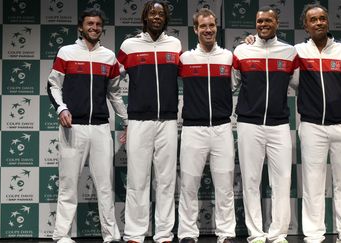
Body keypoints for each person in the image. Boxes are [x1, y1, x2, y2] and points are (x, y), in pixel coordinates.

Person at [47, 8, 126, 243]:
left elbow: (114, 94)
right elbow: (53, 85)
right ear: (81, 27)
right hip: (74, 127)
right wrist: (61, 108)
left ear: (102, 28)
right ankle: (61, 235)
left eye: (98, 24)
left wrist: (127, 120)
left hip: (101, 127)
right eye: (89, 24)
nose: (94, 27)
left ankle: (110, 235)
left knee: (105, 185)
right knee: (69, 183)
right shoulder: (66, 52)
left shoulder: (109, 57)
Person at [295, 3, 341, 243]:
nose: (319, 23)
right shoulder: (298, 52)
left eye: (322, 18)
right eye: (313, 20)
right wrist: (252, 40)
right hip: (313, 126)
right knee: (313, 184)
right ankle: (314, 235)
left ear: (328, 21)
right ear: (306, 25)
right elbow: (273, 57)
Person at [232, 6, 299, 243]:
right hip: (249, 123)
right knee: (250, 180)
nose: (263, 24)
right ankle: (256, 234)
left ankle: (278, 233)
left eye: (268, 20)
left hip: (279, 123)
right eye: (260, 21)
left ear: (277, 23)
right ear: (256, 23)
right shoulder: (242, 50)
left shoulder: (290, 52)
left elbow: (299, 85)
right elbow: (232, 84)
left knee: (282, 181)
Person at [116, 1, 181, 242]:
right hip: (138, 121)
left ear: (166, 19)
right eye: (152, 13)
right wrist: (124, 117)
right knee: (137, 179)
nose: (157, 17)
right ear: (145, 17)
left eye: (161, 13)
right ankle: (134, 233)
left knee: (166, 180)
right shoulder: (129, 46)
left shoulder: (175, 45)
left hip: (167, 121)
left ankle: (164, 233)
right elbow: (112, 82)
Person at [177, 8, 236, 243]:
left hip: (222, 128)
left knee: (224, 186)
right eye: (203, 26)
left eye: (212, 25)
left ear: (216, 27)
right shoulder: (185, 59)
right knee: (189, 185)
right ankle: (187, 233)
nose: (208, 30)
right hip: (193, 129)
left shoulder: (229, 57)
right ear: (195, 30)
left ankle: (227, 233)